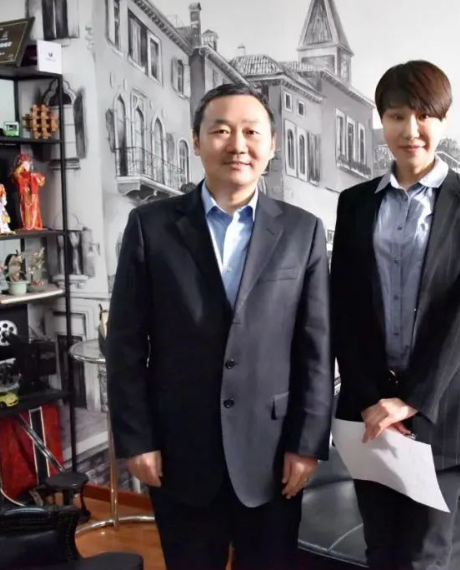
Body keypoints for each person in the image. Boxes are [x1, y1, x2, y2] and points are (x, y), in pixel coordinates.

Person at [107, 83, 333, 570]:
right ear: (196, 141)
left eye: (251, 132)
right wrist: (137, 439)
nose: (238, 145)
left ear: (272, 145)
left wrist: (307, 443)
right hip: (180, 451)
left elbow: (316, 347)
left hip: (273, 454)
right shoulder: (150, 226)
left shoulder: (303, 230)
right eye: (221, 130)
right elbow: (125, 343)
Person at [331, 60, 460, 570]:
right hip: (368, 406)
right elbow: (345, 305)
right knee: (380, 550)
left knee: (422, 557)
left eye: (424, 115)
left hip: (442, 405)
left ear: (442, 120)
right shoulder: (355, 203)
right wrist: (370, 397)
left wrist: (410, 400)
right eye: (396, 116)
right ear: (382, 121)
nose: (411, 130)